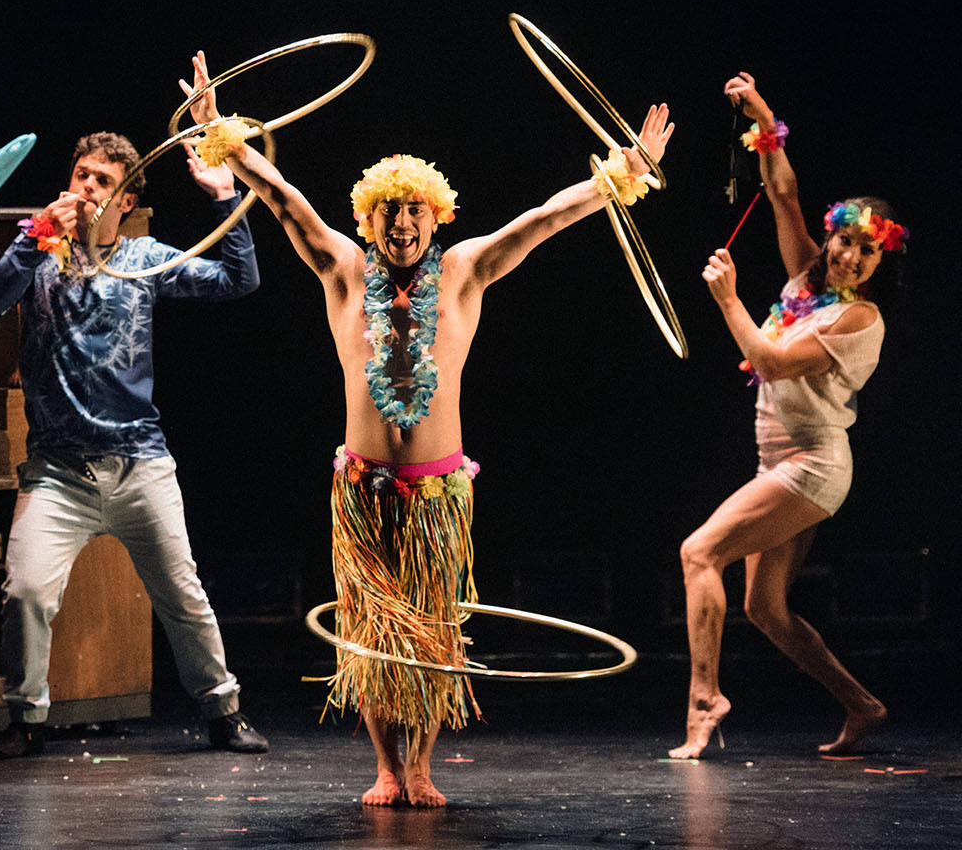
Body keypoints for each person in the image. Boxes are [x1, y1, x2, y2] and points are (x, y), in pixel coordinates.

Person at [198, 51, 673, 806]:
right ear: (369, 217)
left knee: (429, 635)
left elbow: (544, 219)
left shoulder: (464, 272)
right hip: (360, 490)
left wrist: (626, 171)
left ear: (437, 215)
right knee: (371, 638)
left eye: (416, 208)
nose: (403, 221)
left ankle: (421, 765)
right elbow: (285, 200)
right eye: (389, 209)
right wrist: (225, 138)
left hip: (437, 494)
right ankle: (386, 768)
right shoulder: (344, 270)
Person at [0, 125, 269, 759]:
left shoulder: (143, 258)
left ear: (125, 201)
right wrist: (32, 238)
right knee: (24, 590)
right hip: (58, 471)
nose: (87, 189)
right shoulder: (39, 254)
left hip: (139, 465)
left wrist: (224, 197)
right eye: (81, 176)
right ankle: (26, 718)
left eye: (102, 182)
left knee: (183, 595)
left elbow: (237, 280)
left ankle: (223, 710)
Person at [668, 72, 899, 760]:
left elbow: (768, 361)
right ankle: (863, 706)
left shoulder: (859, 317)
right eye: (844, 242)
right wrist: (764, 116)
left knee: (698, 552)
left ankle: (704, 700)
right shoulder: (807, 280)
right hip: (781, 459)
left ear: (880, 258)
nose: (849, 256)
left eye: (866, 249)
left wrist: (730, 300)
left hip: (813, 465)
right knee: (764, 608)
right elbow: (783, 191)